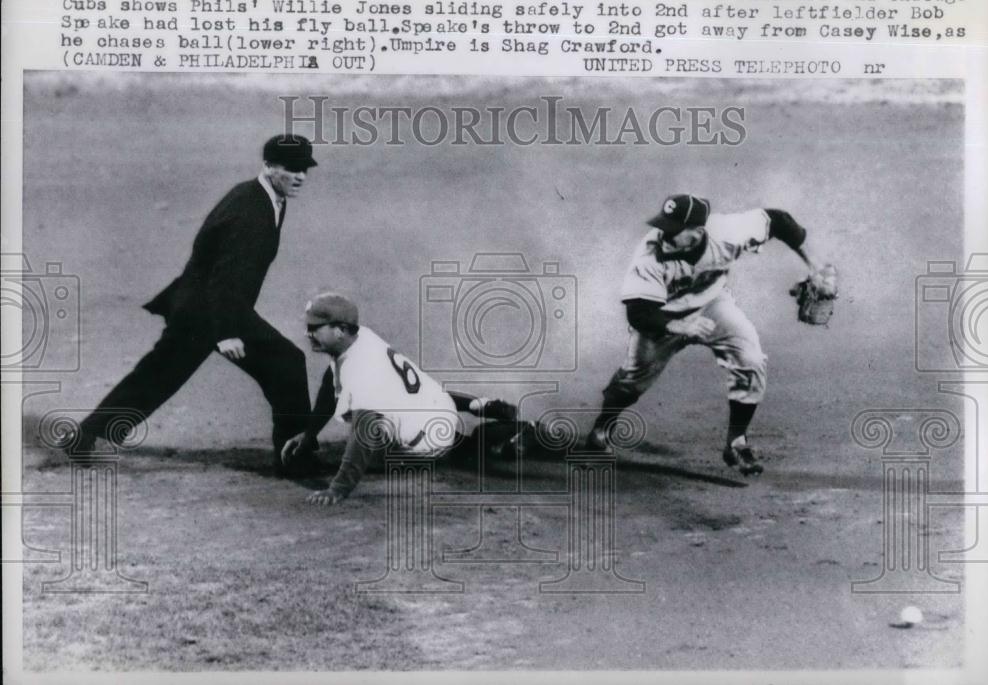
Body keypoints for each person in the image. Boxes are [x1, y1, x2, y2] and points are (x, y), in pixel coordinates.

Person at [68, 134, 319, 476]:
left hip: (207, 305)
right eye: (292, 169)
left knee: (160, 373)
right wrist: (227, 332)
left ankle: (87, 436)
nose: (300, 176)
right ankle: (296, 458)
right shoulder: (252, 211)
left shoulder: (264, 195)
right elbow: (223, 275)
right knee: (286, 364)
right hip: (210, 310)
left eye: (305, 169)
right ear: (269, 166)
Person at [582, 194, 824, 475]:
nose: (664, 233)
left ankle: (737, 442)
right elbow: (638, 313)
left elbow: (780, 221)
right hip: (662, 315)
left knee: (751, 359)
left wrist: (816, 266)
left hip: (711, 303)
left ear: (698, 232)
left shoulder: (728, 232)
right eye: (664, 225)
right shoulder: (649, 256)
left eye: (674, 229)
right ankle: (601, 429)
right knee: (632, 379)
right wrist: (678, 326)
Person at [281, 293, 522, 505]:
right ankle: (478, 407)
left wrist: (338, 488)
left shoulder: (361, 369)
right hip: (435, 401)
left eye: (315, 327)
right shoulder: (359, 337)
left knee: (378, 450)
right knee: (398, 395)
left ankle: (489, 444)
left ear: (340, 329)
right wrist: (310, 433)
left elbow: (363, 432)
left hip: (430, 438)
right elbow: (330, 384)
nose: (307, 333)